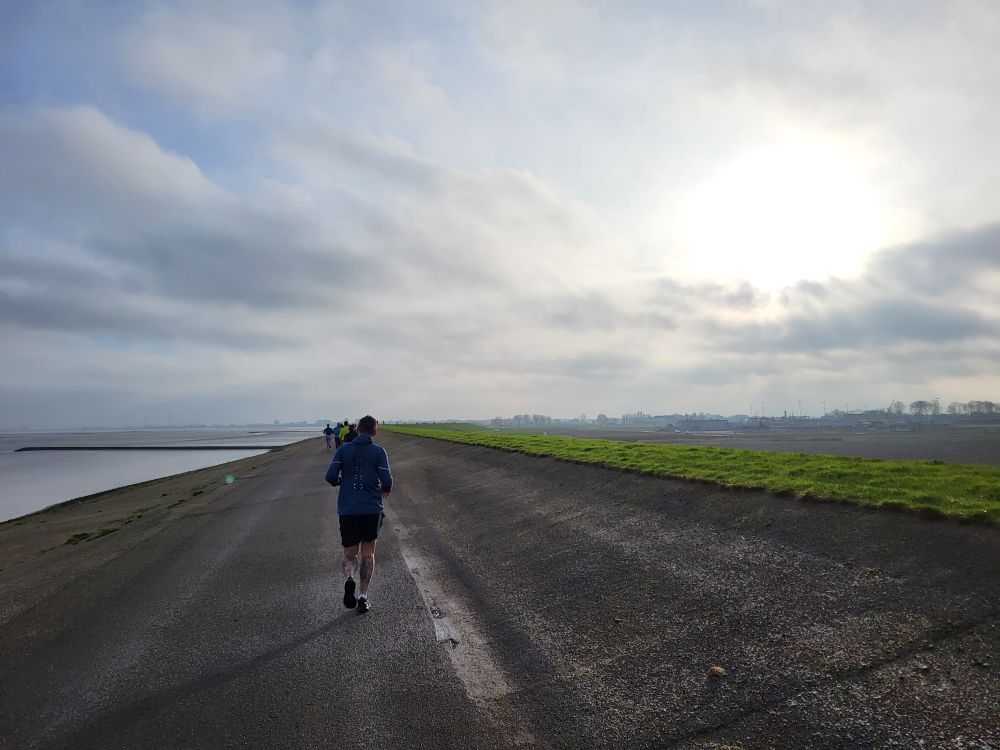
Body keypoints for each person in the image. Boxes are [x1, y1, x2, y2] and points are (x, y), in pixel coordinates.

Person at [324, 415, 392, 614]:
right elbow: (387, 480)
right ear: (374, 432)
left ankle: (349, 578)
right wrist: (385, 488)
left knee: (350, 553)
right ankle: (363, 596)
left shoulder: (343, 450)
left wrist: (340, 482)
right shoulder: (379, 451)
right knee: (368, 553)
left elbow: (330, 476)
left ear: (358, 430)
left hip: (348, 509)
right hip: (371, 509)